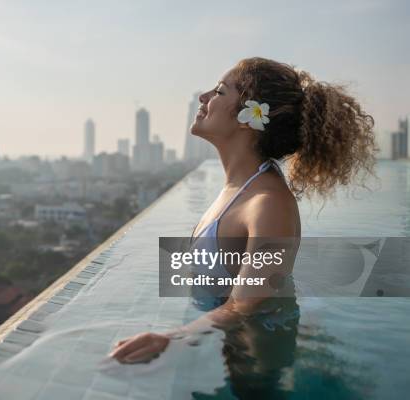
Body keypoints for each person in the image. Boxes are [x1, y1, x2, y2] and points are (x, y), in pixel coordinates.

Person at [109, 57, 377, 364]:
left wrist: (171, 339)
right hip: (223, 354)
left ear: (248, 116)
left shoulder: (267, 205)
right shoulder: (238, 189)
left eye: (220, 91)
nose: (204, 97)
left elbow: (246, 305)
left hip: (253, 374)